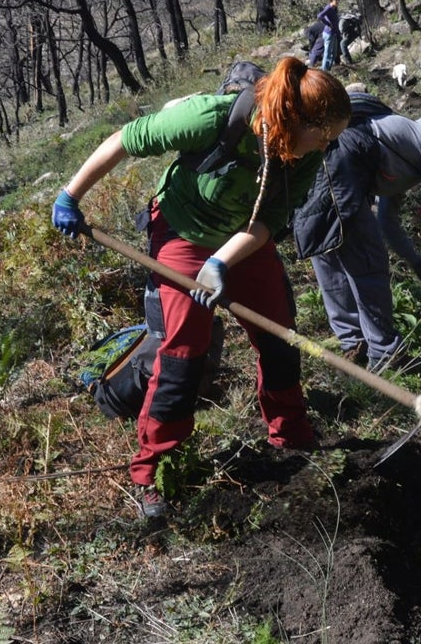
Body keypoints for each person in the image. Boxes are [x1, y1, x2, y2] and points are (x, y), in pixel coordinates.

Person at [51, 57, 352, 519]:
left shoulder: (303, 153)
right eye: (324, 134)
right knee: (184, 351)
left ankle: (290, 433)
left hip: (240, 240)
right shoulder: (210, 118)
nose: (326, 145)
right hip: (181, 233)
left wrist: (221, 262)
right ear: (295, 118)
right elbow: (123, 141)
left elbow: (270, 221)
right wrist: (71, 195)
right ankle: (153, 472)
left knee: (280, 334)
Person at [293, 91, 421, 374]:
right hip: (345, 168)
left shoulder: (403, 148)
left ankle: (355, 344)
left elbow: (388, 222)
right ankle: (385, 354)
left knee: (332, 259)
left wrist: (417, 264)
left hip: (320, 167)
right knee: (368, 263)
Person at [316, 0, 350, 71]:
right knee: (327, 53)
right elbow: (320, 16)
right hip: (328, 34)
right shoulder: (329, 7)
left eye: (339, 0)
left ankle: (329, 68)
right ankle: (324, 70)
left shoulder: (334, 8)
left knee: (334, 53)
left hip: (333, 34)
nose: (338, 1)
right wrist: (328, 24)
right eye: (336, 0)